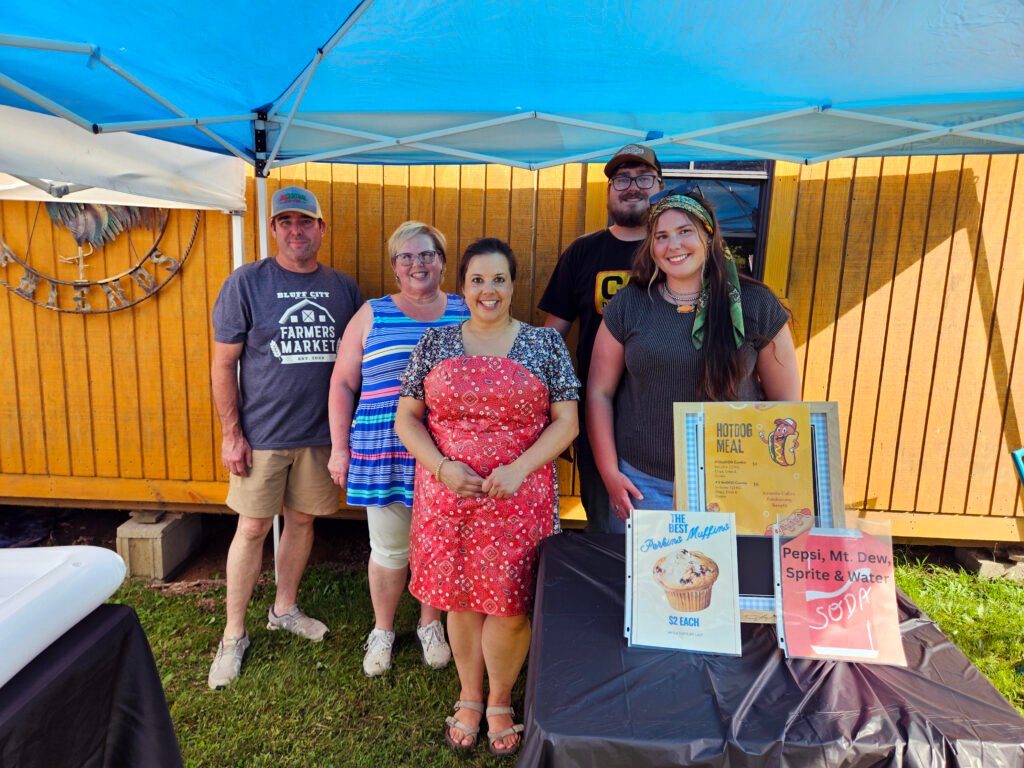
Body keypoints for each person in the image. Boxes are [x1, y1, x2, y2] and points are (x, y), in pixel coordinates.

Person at [394, 238, 579, 757]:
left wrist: (520, 467)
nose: (488, 290)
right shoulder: (435, 343)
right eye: (477, 280)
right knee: (459, 598)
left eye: (498, 279)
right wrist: (442, 466)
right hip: (448, 496)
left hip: (518, 498)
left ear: (514, 285)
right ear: (463, 288)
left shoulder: (545, 346)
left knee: (510, 605)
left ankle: (500, 700)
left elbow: (567, 421)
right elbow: (407, 418)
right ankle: (469, 695)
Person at [207, 186, 363, 689]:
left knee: (300, 523)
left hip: (321, 434)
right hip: (264, 436)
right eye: (285, 222)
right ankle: (233, 634)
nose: (296, 230)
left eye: (306, 222)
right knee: (252, 528)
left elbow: (358, 362)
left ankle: (284, 608)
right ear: (273, 229)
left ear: (321, 228)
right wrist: (233, 434)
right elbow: (223, 364)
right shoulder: (246, 283)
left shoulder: (343, 289)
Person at [587, 193, 800, 528]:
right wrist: (610, 473)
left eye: (685, 231)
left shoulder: (755, 304)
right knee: (646, 579)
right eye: (661, 236)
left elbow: (786, 407)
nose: (674, 245)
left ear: (708, 236)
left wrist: (778, 482)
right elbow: (599, 392)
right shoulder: (629, 304)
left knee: (725, 578)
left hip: (735, 482)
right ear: (651, 246)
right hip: (644, 486)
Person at [327, 221, 468, 677]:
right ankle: (383, 630)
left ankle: (430, 625)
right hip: (383, 447)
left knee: (440, 545)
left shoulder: (467, 311)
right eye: (406, 257)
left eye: (427, 254)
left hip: (448, 452)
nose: (417, 264)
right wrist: (338, 448)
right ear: (394, 266)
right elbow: (343, 383)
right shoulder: (372, 313)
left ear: (443, 262)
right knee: (389, 548)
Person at [539, 143, 664, 532]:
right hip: (599, 415)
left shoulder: (677, 251)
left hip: (664, 415)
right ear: (608, 190)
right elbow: (551, 337)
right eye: (622, 179)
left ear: (661, 185)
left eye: (643, 178)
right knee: (608, 529)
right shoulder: (583, 252)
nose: (632, 187)